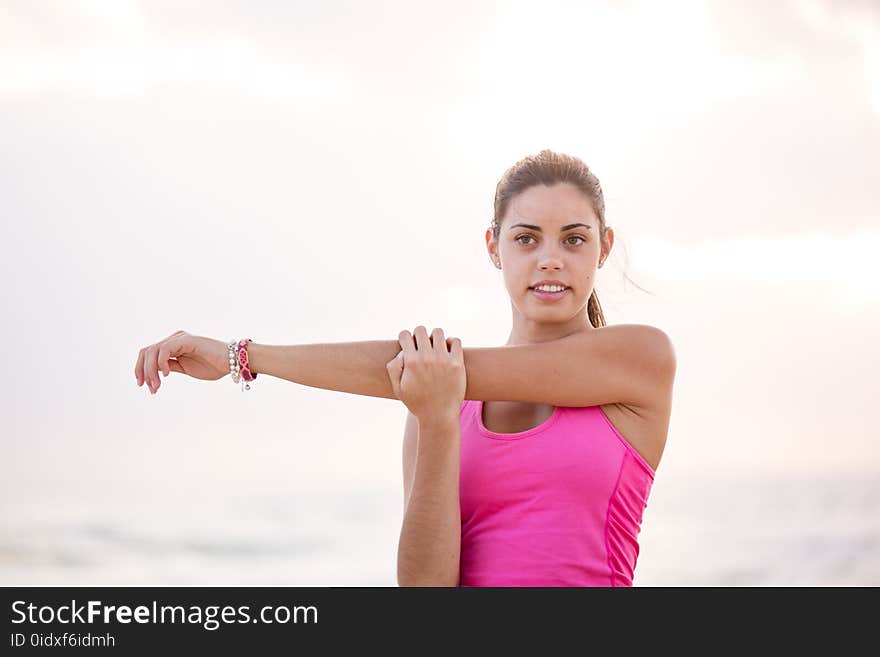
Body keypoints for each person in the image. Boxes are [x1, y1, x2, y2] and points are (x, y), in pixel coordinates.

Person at [134, 149, 676, 587]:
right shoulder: (436, 395)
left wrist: (242, 356)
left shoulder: (639, 360)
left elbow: (404, 368)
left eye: (574, 239)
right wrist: (438, 421)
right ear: (494, 247)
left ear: (604, 247)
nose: (550, 259)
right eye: (526, 238)